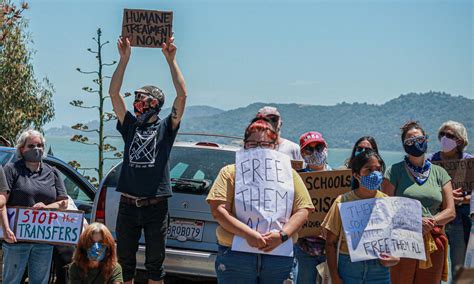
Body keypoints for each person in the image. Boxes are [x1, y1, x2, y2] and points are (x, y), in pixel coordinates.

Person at [109, 34, 187, 284]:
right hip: (128, 205)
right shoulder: (130, 126)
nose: (135, 103)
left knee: (155, 265)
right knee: (124, 264)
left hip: (156, 206)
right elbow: (114, 93)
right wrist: (124, 59)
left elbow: (182, 97)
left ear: (153, 103)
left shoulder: (166, 128)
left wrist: (171, 60)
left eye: (141, 99)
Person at [206, 117, 314, 283]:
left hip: (279, 256)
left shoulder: (289, 174)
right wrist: (248, 234)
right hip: (236, 255)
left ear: (274, 146)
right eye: (253, 144)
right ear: (244, 144)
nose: (258, 149)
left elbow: (304, 209)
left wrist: (282, 235)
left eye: (265, 144)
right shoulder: (229, 172)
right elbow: (218, 210)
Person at [382, 121, 455, 283]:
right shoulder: (394, 171)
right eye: (410, 141)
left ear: (426, 140)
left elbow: (450, 211)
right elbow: (385, 208)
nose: (415, 143)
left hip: (434, 243)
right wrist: (414, 222)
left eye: (419, 139)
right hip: (402, 242)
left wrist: (430, 222)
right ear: (404, 145)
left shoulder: (440, 173)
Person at [0, 129, 69, 284]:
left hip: (43, 239)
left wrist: (47, 207)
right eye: (31, 146)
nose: (36, 149)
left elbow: (63, 202)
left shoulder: (53, 172)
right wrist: (6, 231)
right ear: (22, 149)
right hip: (16, 239)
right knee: (11, 281)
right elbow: (2, 203)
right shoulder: (11, 170)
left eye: (39, 145)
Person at [322, 149, 400, 284]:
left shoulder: (388, 202)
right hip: (348, 268)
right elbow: (330, 243)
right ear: (356, 175)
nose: (374, 174)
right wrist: (334, 276)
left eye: (378, 169)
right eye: (368, 170)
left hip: (379, 270)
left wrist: (395, 258)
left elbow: (396, 241)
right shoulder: (343, 202)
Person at [427, 120, 473, 274]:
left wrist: (462, 199)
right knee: (434, 266)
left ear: (460, 140)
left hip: (461, 221)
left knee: (460, 268)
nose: (444, 138)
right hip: (437, 219)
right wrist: (445, 196)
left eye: (449, 135)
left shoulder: (469, 161)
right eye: (442, 134)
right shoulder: (430, 161)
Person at [292, 131, 331, 283]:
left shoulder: (339, 177)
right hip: (303, 247)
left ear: (326, 148)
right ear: (302, 153)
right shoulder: (295, 178)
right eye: (309, 149)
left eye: (319, 147)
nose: (315, 152)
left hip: (330, 248)